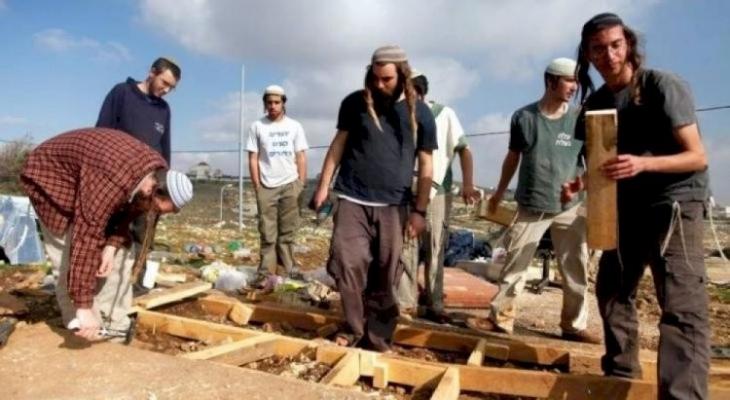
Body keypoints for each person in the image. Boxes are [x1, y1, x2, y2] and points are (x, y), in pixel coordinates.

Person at [564, 13, 710, 398]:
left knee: (680, 305)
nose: (609, 55)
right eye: (598, 49)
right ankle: (621, 373)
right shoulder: (596, 104)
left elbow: (697, 157)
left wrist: (644, 164)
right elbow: (602, 166)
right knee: (611, 289)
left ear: (628, 44)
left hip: (676, 202)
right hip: (629, 206)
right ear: (588, 55)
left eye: (615, 45)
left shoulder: (661, 86)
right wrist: (580, 183)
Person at [311, 45, 437, 351]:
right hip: (352, 197)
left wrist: (419, 211)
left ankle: (378, 338)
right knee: (347, 262)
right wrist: (323, 185)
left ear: (402, 76)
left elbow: (426, 164)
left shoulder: (421, 113)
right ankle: (354, 328)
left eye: (387, 79)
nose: (380, 85)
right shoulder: (354, 103)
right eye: (375, 78)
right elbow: (338, 145)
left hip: (394, 205)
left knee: (385, 272)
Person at [20, 128, 193, 341]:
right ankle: (80, 326)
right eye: (156, 208)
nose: (153, 213)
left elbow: (130, 211)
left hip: (94, 180)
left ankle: (114, 329)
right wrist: (83, 306)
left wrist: (111, 246)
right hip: (52, 179)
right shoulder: (112, 179)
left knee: (120, 254)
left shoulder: (156, 174)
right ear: (152, 189)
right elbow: (85, 237)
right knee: (69, 254)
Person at [471, 58, 598, 344]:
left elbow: (593, 161)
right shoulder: (524, 118)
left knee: (575, 268)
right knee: (515, 265)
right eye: (569, 81)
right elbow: (513, 157)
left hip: (570, 206)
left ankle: (574, 326)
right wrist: (499, 192)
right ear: (550, 81)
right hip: (531, 203)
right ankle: (501, 319)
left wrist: (585, 191)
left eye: (576, 82)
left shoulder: (580, 118)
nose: (574, 87)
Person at [396, 71, 480, 321]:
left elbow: (464, 149)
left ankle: (435, 303)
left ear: (419, 93)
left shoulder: (444, 115)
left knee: (435, 246)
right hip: (405, 189)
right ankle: (405, 303)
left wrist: (468, 184)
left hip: (438, 190)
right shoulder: (398, 115)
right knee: (406, 245)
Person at [247, 85, 308, 279]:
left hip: (290, 184)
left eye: (276, 102)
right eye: (269, 102)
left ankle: (288, 271)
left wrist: (301, 183)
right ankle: (266, 273)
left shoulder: (295, 126)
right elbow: (253, 158)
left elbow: (301, 156)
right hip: (266, 186)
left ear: (283, 103)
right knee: (267, 232)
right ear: (264, 104)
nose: (273, 106)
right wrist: (257, 185)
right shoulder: (257, 126)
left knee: (287, 232)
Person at [96, 57, 181, 164]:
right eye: (164, 83)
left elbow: (165, 150)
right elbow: (101, 133)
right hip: (116, 167)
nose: (166, 90)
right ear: (152, 72)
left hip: (148, 172)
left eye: (171, 87)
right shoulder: (122, 92)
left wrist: (163, 171)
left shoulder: (164, 109)